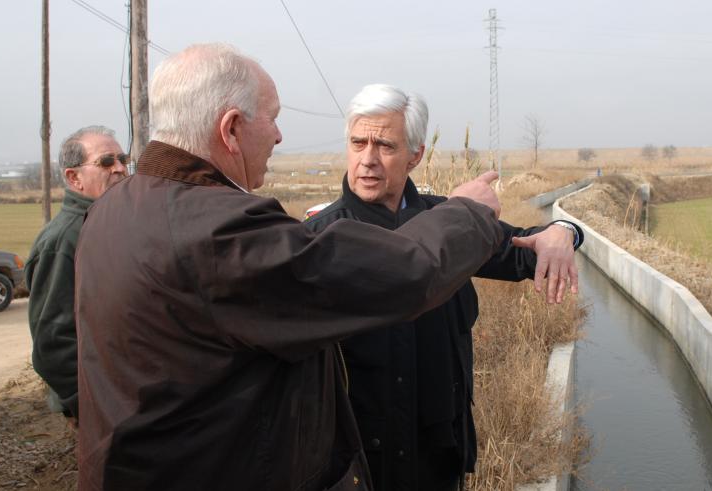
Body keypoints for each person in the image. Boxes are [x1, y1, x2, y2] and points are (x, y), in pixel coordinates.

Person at [73, 43, 513, 490]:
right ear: (231, 129)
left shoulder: (113, 209)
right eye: (273, 117)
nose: (280, 136)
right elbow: (403, 273)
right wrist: (467, 212)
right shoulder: (217, 233)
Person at [305, 84, 584, 490]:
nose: (367, 160)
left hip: (437, 460)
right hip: (357, 468)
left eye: (384, 145)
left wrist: (563, 231)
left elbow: (525, 247)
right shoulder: (317, 239)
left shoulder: (453, 223)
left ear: (415, 155)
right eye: (357, 142)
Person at [25, 125, 128, 423]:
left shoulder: (110, 224)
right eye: (107, 162)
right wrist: (90, 407)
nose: (120, 168)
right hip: (104, 407)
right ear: (74, 177)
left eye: (123, 159)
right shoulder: (64, 241)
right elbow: (53, 344)